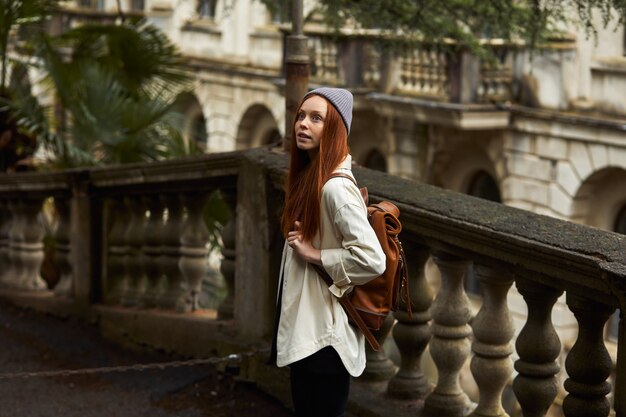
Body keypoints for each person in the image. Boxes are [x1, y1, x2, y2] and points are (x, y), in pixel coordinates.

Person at [273, 87, 386, 417]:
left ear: (335, 128)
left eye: (317, 118)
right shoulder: (312, 177)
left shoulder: (335, 187)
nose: (303, 124)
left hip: (325, 340)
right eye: (301, 116)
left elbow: (372, 258)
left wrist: (315, 255)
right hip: (311, 333)